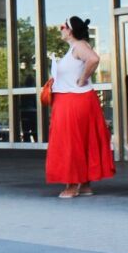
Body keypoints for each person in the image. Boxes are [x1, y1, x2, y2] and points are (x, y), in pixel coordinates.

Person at [45, 16, 115, 198]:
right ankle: (84, 184)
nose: (60, 29)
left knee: (70, 141)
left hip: (73, 100)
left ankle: (72, 185)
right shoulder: (75, 48)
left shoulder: (79, 46)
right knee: (81, 140)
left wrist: (83, 78)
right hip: (75, 99)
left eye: (62, 26)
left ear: (70, 30)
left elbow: (93, 59)